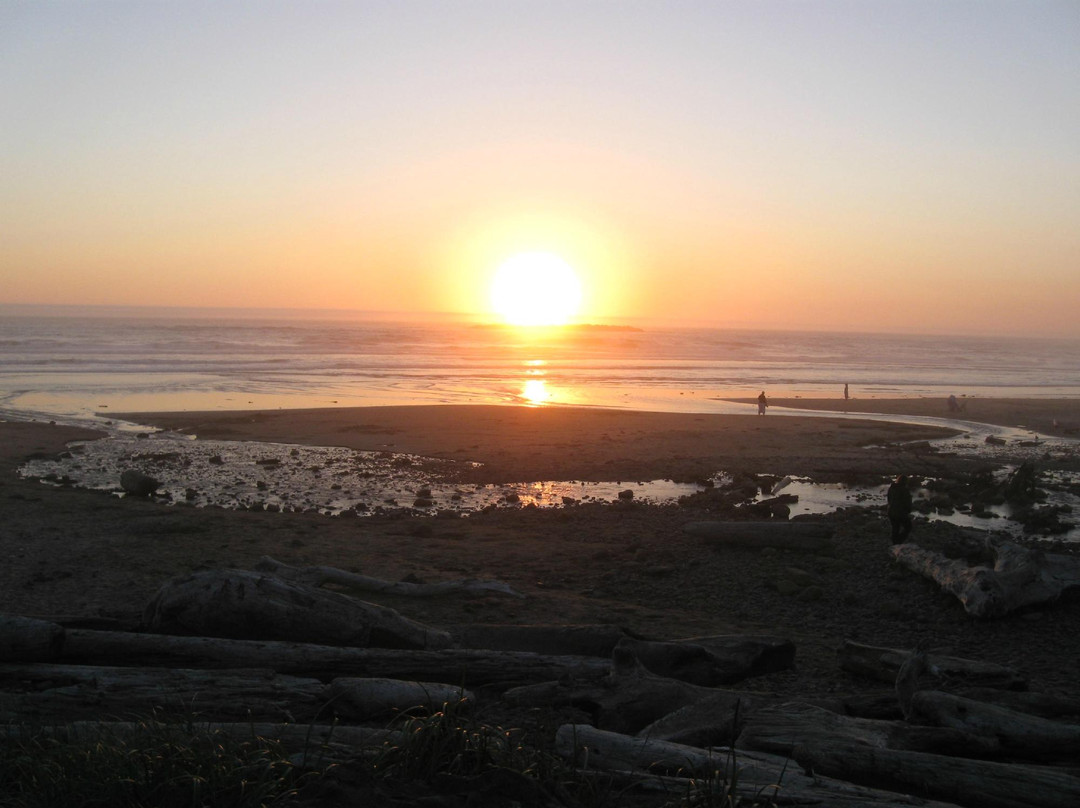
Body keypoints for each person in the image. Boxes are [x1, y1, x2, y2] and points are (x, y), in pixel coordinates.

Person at [886, 475, 913, 544]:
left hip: (891, 511)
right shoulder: (904, 490)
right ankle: (898, 541)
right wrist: (908, 510)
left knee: (895, 528)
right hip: (900, 513)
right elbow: (907, 502)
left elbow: (889, 499)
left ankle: (894, 543)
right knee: (908, 527)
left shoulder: (891, 488)